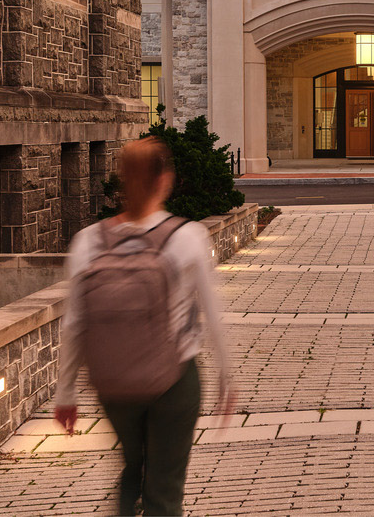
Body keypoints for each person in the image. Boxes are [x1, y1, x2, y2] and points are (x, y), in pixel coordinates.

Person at [54, 137, 234, 517]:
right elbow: (212, 316)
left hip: (114, 383)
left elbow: (73, 324)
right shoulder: (186, 237)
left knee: (132, 468)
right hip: (174, 378)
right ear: (165, 180)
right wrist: (227, 380)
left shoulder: (88, 241)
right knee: (164, 485)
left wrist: (65, 394)